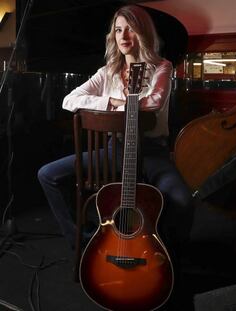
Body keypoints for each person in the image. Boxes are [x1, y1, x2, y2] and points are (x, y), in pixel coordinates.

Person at [37, 4, 193, 267]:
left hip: (152, 152)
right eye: (118, 30)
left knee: (182, 201)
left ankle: (164, 258)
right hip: (114, 150)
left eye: (130, 30)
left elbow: (154, 101)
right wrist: (112, 102)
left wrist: (123, 105)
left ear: (143, 33)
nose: (123, 36)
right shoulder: (107, 72)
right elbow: (69, 99)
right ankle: (87, 241)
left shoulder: (161, 67)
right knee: (47, 175)